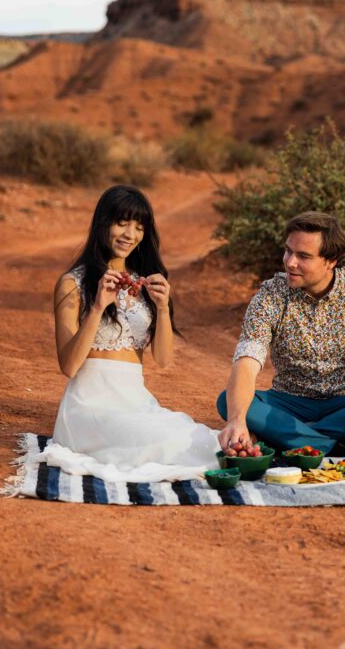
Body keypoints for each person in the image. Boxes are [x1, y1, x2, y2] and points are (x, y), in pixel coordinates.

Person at [37, 184, 219, 483]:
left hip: (136, 401)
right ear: (103, 223)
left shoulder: (143, 283)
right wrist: (97, 308)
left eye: (139, 227)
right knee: (163, 441)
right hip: (89, 406)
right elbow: (68, 366)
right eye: (122, 223)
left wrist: (162, 308)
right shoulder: (72, 283)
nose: (130, 234)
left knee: (197, 438)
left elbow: (162, 360)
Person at [217, 211, 345, 458]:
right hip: (288, 402)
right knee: (230, 403)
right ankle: (343, 445)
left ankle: (285, 440)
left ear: (331, 260)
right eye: (288, 251)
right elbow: (246, 362)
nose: (290, 262)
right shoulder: (270, 295)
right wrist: (237, 419)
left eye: (303, 256)